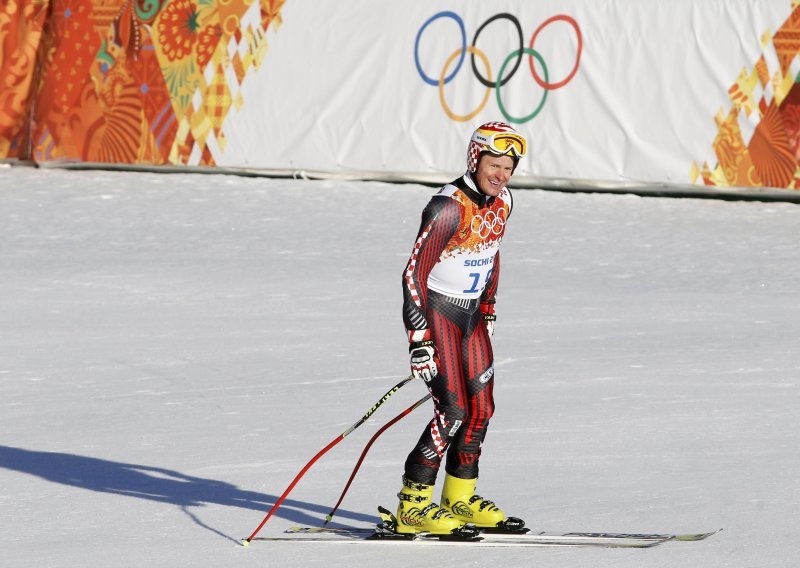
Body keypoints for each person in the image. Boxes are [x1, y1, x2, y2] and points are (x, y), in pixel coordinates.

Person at [395, 121, 526, 534]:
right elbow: (413, 274)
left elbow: (493, 249)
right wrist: (419, 340)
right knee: (452, 410)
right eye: (494, 163)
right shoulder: (447, 207)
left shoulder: (503, 200)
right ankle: (413, 505)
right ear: (475, 158)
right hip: (438, 316)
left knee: (481, 409)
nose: (501, 174)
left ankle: (459, 498)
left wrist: (488, 303)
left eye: (508, 166)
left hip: (471, 318)